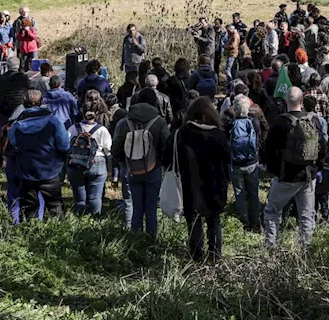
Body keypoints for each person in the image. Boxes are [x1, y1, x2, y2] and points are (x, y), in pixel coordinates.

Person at [163, 97, 231, 262]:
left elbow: (165, 158)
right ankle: (215, 256)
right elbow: (228, 159)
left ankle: (197, 257)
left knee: (193, 220)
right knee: (214, 219)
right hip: (215, 184)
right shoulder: (218, 135)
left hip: (189, 184)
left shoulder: (179, 134)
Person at [262, 86, 326, 249]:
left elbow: (268, 150)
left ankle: (271, 246)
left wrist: (274, 170)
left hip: (285, 177)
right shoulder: (313, 120)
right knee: (307, 214)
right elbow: (323, 148)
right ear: (302, 101)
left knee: (272, 211)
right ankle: (306, 249)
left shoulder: (280, 122)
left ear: (285, 101)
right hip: (307, 176)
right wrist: (316, 168)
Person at [111, 88, 167, 237]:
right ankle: (150, 241)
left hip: (131, 169)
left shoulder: (124, 122)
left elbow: (115, 148)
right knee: (151, 208)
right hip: (153, 169)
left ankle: (134, 241)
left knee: (134, 206)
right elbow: (165, 147)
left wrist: (125, 163)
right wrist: (159, 163)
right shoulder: (159, 122)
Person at [8, 90, 71, 221]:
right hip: (50, 171)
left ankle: (31, 233)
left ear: (24, 105)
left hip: (26, 171)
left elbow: (13, 143)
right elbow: (64, 145)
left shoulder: (16, 125)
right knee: (55, 206)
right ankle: (60, 234)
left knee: (29, 207)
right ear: (41, 102)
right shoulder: (54, 122)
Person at [227, 94, 263, 232]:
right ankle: (256, 222)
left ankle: (245, 223)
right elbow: (257, 139)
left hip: (236, 164)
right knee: (253, 193)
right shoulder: (254, 122)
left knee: (239, 193)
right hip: (252, 163)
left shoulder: (230, 123)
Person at [67, 106, 112, 215]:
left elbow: (66, 145)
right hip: (97, 161)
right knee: (95, 197)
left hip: (77, 163)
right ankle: (95, 220)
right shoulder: (102, 130)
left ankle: (79, 219)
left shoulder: (73, 128)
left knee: (79, 198)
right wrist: (110, 168)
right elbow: (108, 149)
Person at [0, 55, 31, 122]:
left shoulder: (0, 78)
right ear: (18, 66)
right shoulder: (23, 77)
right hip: (19, 105)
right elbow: (27, 88)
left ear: (7, 66)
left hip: (4, 106)